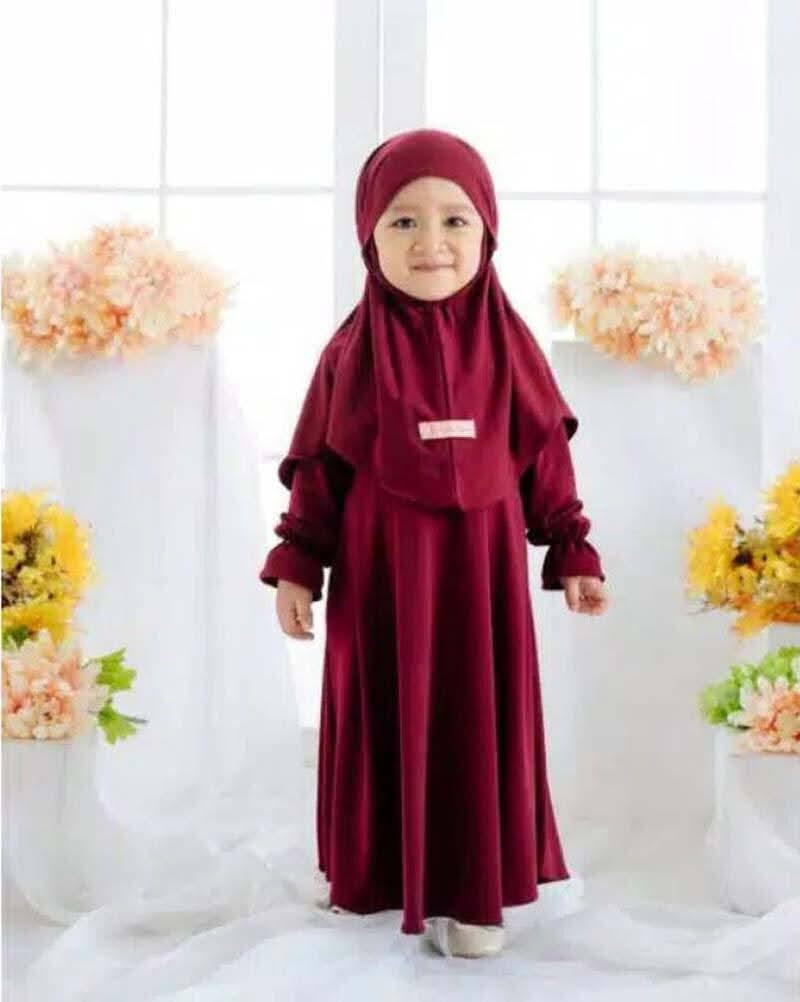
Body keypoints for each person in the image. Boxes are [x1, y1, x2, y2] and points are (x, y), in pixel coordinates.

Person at [259, 128, 609, 958]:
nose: (432, 243)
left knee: (475, 715)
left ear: (488, 232)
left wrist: (570, 549)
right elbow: (319, 473)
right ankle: (374, 878)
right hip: (380, 574)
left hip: (481, 577)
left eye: (455, 220)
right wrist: (298, 568)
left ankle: (476, 898)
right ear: (368, 237)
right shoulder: (350, 353)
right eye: (404, 221)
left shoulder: (511, 346)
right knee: (383, 706)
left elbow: (544, 456)